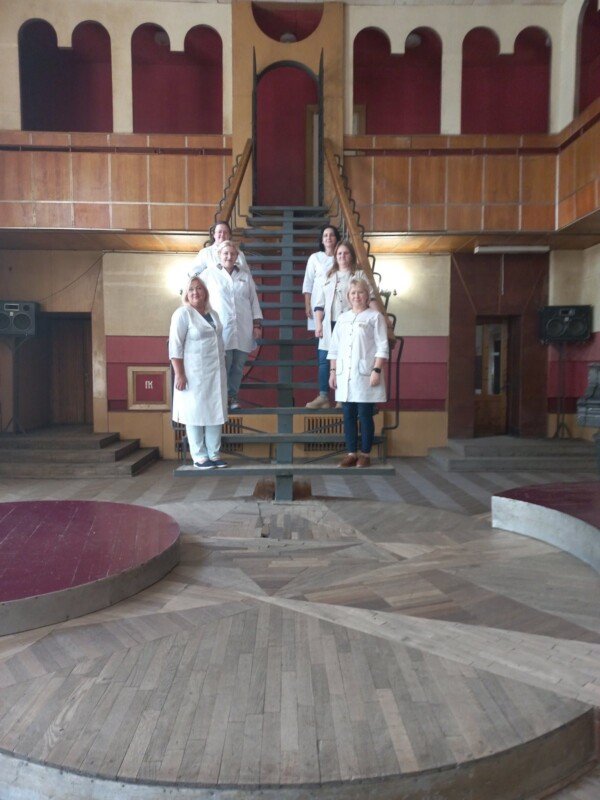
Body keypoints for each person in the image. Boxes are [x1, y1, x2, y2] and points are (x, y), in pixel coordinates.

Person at [307, 239, 378, 409]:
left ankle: (341, 396)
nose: (342, 256)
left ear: (351, 255)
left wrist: (381, 316)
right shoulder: (329, 275)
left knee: (345, 359)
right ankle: (323, 396)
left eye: (346, 253)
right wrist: (318, 324)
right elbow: (319, 303)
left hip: (349, 323)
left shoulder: (359, 275)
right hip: (328, 324)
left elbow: (371, 297)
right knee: (324, 360)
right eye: (339, 253)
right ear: (335, 256)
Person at [328, 277, 389, 468]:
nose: (357, 296)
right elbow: (334, 348)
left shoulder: (374, 317)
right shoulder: (343, 318)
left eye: (360, 292)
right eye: (353, 293)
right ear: (348, 296)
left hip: (365, 374)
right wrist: (332, 372)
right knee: (348, 415)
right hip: (344, 375)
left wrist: (376, 370)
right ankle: (351, 452)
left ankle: (365, 453)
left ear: (366, 295)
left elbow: (382, 346)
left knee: (364, 415)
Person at [169, 275, 229, 470]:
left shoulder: (213, 314)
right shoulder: (182, 314)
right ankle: (200, 456)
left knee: (215, 411)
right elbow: (175, 347)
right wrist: (179, 374)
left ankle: (214, 453)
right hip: (193, 373)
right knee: (194, 412)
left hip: (215, 372)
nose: (195, 292)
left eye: (199, 288)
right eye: (191, 289)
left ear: (205, 292)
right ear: (186, 294)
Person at [200, 240, 263, 410]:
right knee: (223, 364)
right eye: (225, 253)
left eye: (232, 254)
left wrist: (257, 324)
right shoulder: (208, 275)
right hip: (221, 328)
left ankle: (232, 396)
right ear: (219, 255)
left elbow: (253, 301)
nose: (229, 256)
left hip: (243, 327)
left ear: (237, 256)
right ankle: (221, 397)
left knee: (238, 365)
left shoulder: (245, 276)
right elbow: (199, 298)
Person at [302, 224, 340, 332]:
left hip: (336, 301)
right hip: (318, 300)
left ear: (336, 238)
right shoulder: (315, 257)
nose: (328, 237)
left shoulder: (341, 256)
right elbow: (308, 282)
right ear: (322, 240)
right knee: (320, 332)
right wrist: (307, 305)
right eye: (325, 235)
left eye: (331, 235)